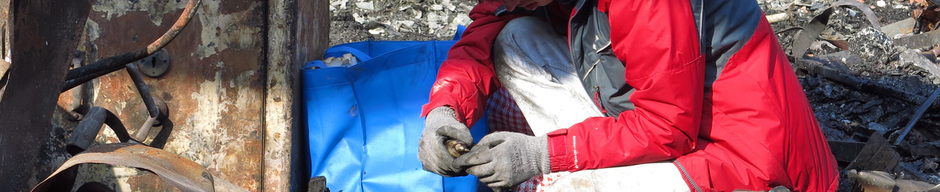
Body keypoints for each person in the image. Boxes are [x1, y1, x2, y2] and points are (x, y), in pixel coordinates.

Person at [418, 0, 840, 191]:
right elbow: (487, 27)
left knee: (562, 185)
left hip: (742, 159)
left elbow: (667, 127)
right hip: (664, 122)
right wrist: (445, 107)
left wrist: (542, 156)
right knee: (513, 36)